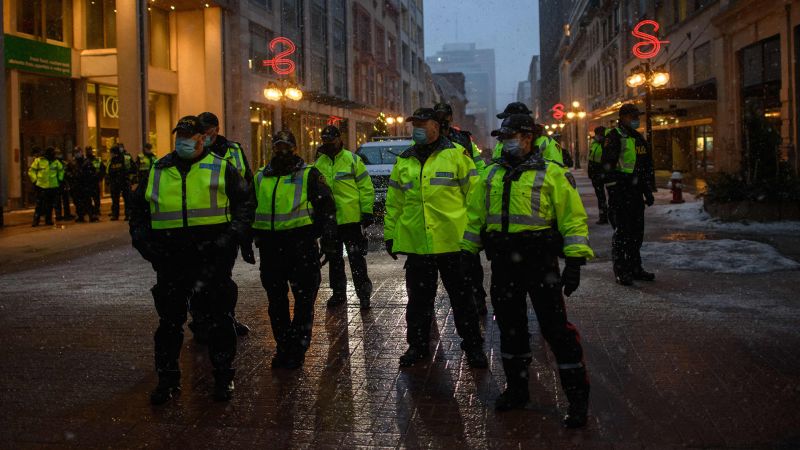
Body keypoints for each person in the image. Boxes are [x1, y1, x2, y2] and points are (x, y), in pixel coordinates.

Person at [461, 114, 594, 428]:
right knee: (510, 328)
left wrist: (574, 261)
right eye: (504, 136)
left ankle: (577, 399)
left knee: (556, 330)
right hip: (504, 264)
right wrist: (468, 253)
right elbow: (475, 216)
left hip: (540, 264)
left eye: (514, 135)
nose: (507, 141)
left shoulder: (551, 174)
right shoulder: (491, 174)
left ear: (529, 137)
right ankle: (517, 390)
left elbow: (572, 218)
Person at [129, 116, 254, 404]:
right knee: (169, 324)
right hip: (171, 261)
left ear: (203, 138)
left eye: (190, 136)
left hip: (211, 261)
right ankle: (168, 381)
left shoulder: (221, 168)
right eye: (180, 136)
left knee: (220, 321)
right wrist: (145, 245)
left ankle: (223, 378)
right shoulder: (157, 170)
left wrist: (229, 240)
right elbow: (138, 213)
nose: (184, 141)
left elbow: (244, 206)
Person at [384, 107, 487, 368]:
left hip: (453, 243)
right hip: (418, 245)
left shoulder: (456, 156)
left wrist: (473, 237)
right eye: (414, 123)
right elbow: (394, 202)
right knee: (418, 302)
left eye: (421, 123)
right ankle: (417, 346)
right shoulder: (405, 160)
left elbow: (474, 198)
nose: (416, 128)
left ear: (436, 126)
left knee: (462, 300)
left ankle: (473, 346)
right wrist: (390, 234)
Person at [253, 130, 338, 369]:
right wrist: (247, 241)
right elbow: (250, 209)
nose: (282, 151)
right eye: (278, 146)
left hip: (301, 248)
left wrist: (328, 240)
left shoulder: (309, 174)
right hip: (271, 250)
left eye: (286, 146)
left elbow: (327, 208)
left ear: (295, 147)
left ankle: (298, 348)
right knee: (276, 303)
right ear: (272, 148)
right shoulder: (260, 177)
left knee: (303, 302)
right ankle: (283, 347)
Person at [190, 111, 255, 339]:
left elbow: (247, 186)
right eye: (201, 133)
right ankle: (201, 322)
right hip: (198, 228)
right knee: (198, 278)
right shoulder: (192, 152)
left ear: (216, 130)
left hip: (226, 227)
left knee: (222, 277)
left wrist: (243, 229)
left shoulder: (233, 150)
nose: (204, 137)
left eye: (207, 132)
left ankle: (225, 318)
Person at [433, 102, 489, 316]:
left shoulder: (463, 139)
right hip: (438, 209)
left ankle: (478, 297)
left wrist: (478, 189)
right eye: (438, 116)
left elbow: (479, 166)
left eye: (445, 116)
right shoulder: (430, 140)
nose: (442, 120)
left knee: (469, 259)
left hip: (462, 207)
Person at [314, 125, 375, 309]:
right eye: (325, 141)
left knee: (356, 259)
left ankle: (363, 294)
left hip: (351, 220)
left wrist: (366, 211)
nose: (329, 145)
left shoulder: (352, 160)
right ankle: (338, 294)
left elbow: (365, 187)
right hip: (330, 221)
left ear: (339, 139)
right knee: (334, 260)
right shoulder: (319, 164)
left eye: (331, 141)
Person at [602, 104, 656, 285]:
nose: (636, 119)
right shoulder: (615, 136)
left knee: (636, 234)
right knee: (622, 234)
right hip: (621, 193)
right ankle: (621, 270)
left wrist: (647, 191)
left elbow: (645, 167)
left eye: (637, 116)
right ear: (622, 117)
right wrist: (614, 190)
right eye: (633, 116)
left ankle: (635, 267)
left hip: (635, 194)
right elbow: (607, 166)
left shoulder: (638, 137)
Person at [28, 146, 64, 226]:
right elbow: (31, 171)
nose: (54, 154)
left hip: (52, 186)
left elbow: (61, 170)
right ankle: (36, 220)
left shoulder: (56, 162)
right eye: (53, 153)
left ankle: (48, 220)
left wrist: (59, 179)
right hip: (41, 186)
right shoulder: (39, 161)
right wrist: (35, 181)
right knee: (39, 205)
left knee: (50, 205)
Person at [587, 127, 609, 225]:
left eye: (598, 134)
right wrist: (591, 173)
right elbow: (591, 159)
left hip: (606, 172)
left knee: (612, 196)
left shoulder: (607, 143)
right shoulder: (594, 144)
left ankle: (612, 216)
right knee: (601, 197)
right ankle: (603, 216)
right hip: (596, 174)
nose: (596, 136)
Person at [106, 145, 133, 221]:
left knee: (127, 199)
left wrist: (129, 179)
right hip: (115, 183)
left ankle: (128, 214)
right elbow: (108, 171)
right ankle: (115, 215)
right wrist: (108, 180)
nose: (110, 154)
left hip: (124, 181)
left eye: (111, 153)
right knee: (115, 200)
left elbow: (133, 169)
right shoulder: (111, 160)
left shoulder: (126, 158)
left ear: (115, 153)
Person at [68, 148, 91, 223]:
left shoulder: (86, 162)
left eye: (78, 152)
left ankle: (91, 215)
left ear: (81, 152)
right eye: (76, 152)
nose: (77, 154)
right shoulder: (72, 162)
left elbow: (91, 172)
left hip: (85, 185)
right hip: (76, 185)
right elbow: (67, 172)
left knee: (86, 201)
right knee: (77, 202)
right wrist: (71, 176)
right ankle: (80, 216)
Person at [54, 148, 74, 221]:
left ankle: (67, 214)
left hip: (63, 183)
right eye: (57, 154)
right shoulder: (54, 163)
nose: (59, 155)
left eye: (59, 153)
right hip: (56, 184)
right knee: (58, 200)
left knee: (65, 200)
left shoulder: (64, 163)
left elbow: (68, 171)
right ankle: (58, 215)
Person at [85, 146, 104, 221]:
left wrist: (99, 178)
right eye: (87, 150)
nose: (89, 152)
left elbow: (102, 169)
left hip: (95, 182)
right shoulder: (85, 160)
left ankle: (96, 212)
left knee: (96, 199)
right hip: (88, 183)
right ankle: (91, 213)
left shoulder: (97, 160)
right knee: (88, 200)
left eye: (90, 150)